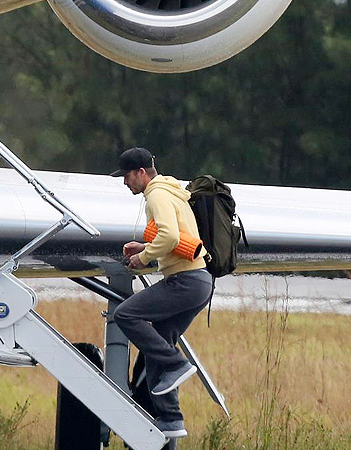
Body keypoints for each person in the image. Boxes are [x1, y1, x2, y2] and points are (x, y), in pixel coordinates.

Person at [110, 147, 213, 439]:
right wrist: (143, 248)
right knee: (159, 338)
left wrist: (142, 260)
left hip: (185, 282)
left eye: (127, 176)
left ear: (141, 172)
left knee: (126, 314)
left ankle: (176, 363)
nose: (125, 182)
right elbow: (174, 238)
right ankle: (170, 419)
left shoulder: (155, 195)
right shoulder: (171, 191)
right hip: (198, 282)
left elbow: (168, 235)